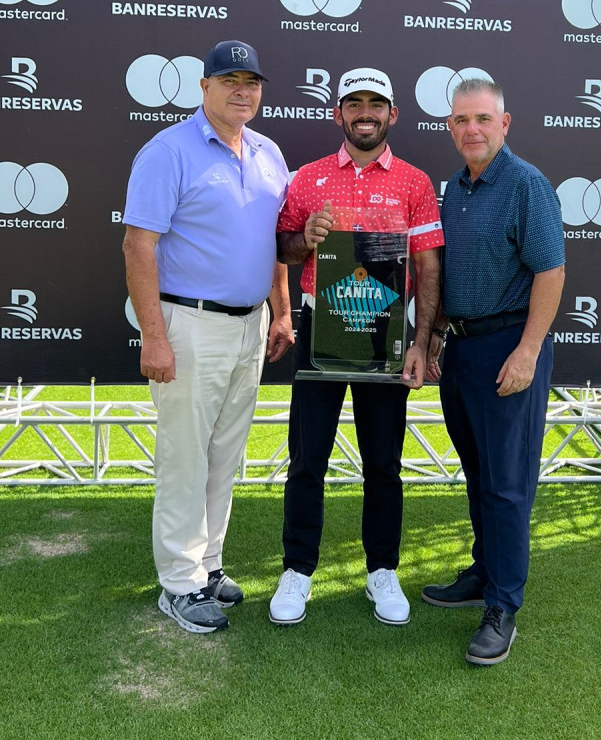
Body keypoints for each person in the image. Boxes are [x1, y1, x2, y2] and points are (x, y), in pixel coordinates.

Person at [122, 39, 293, 634]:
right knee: (185, 457)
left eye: (252, 82)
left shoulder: (270, 152)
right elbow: (138, 245)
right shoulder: (167, 151)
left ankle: (208, 566)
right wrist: (154, 336)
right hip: (188, 324)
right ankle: (177, 582)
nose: (242, 91)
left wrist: (282, 311)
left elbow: (273, 241)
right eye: (230, 81)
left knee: (225, 455)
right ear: (205, 87)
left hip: (251, 325)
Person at [269, 67, 443, 627]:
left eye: (376, 104)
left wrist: (422, 341)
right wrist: (305, 239)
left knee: (384, 464)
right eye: (354, 103)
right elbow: (285, 249)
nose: (364, 113)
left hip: (386, 338)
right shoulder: (309, 178)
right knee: (307, 460)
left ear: (393, 114)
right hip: (323, 333)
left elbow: (427, 265)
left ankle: (381, 571)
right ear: (337, 113)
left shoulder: (414, 183)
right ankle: (298, 569)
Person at [423, 78, 565, 666]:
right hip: (462, 349)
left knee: (507, 483)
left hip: (510, 347)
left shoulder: (527, 183)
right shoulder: (453, 189)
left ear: (504, 124)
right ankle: (485, 573)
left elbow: (550, 273)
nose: (472, 129)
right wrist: (433, 339)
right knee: (479, 472)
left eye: (483, 118)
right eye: (461, 120)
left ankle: (504, 604)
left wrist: (528, 351)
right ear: (450, 127)